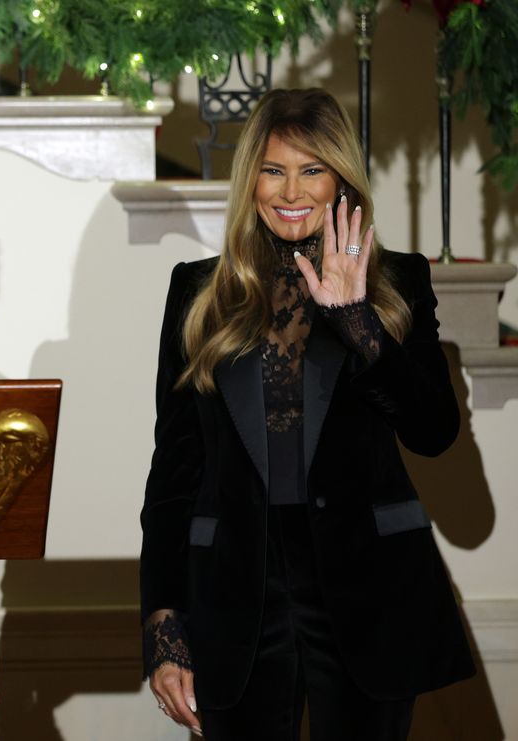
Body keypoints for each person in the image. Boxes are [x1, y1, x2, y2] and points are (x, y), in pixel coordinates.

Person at [139, 88, 474, 740]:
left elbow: (434, 432)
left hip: (368, 591)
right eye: (273, 169)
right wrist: (162, 619)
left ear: (340, 177)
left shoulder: (398, 280)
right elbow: (174, 472)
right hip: (237, 592)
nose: (291, 189)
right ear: (250, 180)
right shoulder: (197, 291)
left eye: (312, 169)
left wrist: (357, 320)